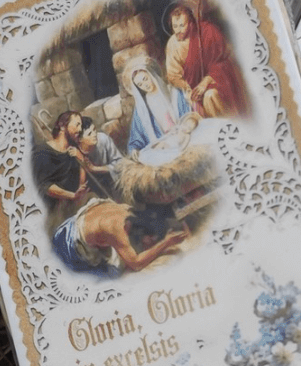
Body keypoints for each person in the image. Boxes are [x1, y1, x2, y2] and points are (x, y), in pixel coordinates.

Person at [52, 198, 188, 276]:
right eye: (151, 240)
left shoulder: (127, 210)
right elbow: (136, 264)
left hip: (70, 225)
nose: (150, 245)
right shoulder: (117, 230)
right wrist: (166, 243)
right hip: (66, 246)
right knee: (113, 278)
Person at [164, 2, 248, 118]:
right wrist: (189, 90)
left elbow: (222, 62)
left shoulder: (207, 32)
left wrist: (205, 82)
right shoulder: (172, 44)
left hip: (215, 81)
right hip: (193, 90)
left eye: (182, 25)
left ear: (191, 24)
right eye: (175, 26)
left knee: (210, 96)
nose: (178, 30)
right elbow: (173, 75)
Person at [122, 55, 196, 154]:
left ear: (151, 75)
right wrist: (134, 149)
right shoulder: (142, 108)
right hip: (163, 145)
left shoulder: (174, 92)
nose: (145, 85)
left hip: (183, 135)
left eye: (145, 79)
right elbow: (136, 136)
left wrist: (185, 127)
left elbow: (189, 115)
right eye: (140, 84)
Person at [34, 110, 88, 208]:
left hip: (75, 204)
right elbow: (45, 186)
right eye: (77, 125)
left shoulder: (74, 150)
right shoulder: (42, 152)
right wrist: (72, 196)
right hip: (54, 209)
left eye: (81, 125)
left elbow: (81, 188)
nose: (80, 129)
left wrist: (81, 160)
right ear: (62, 126)